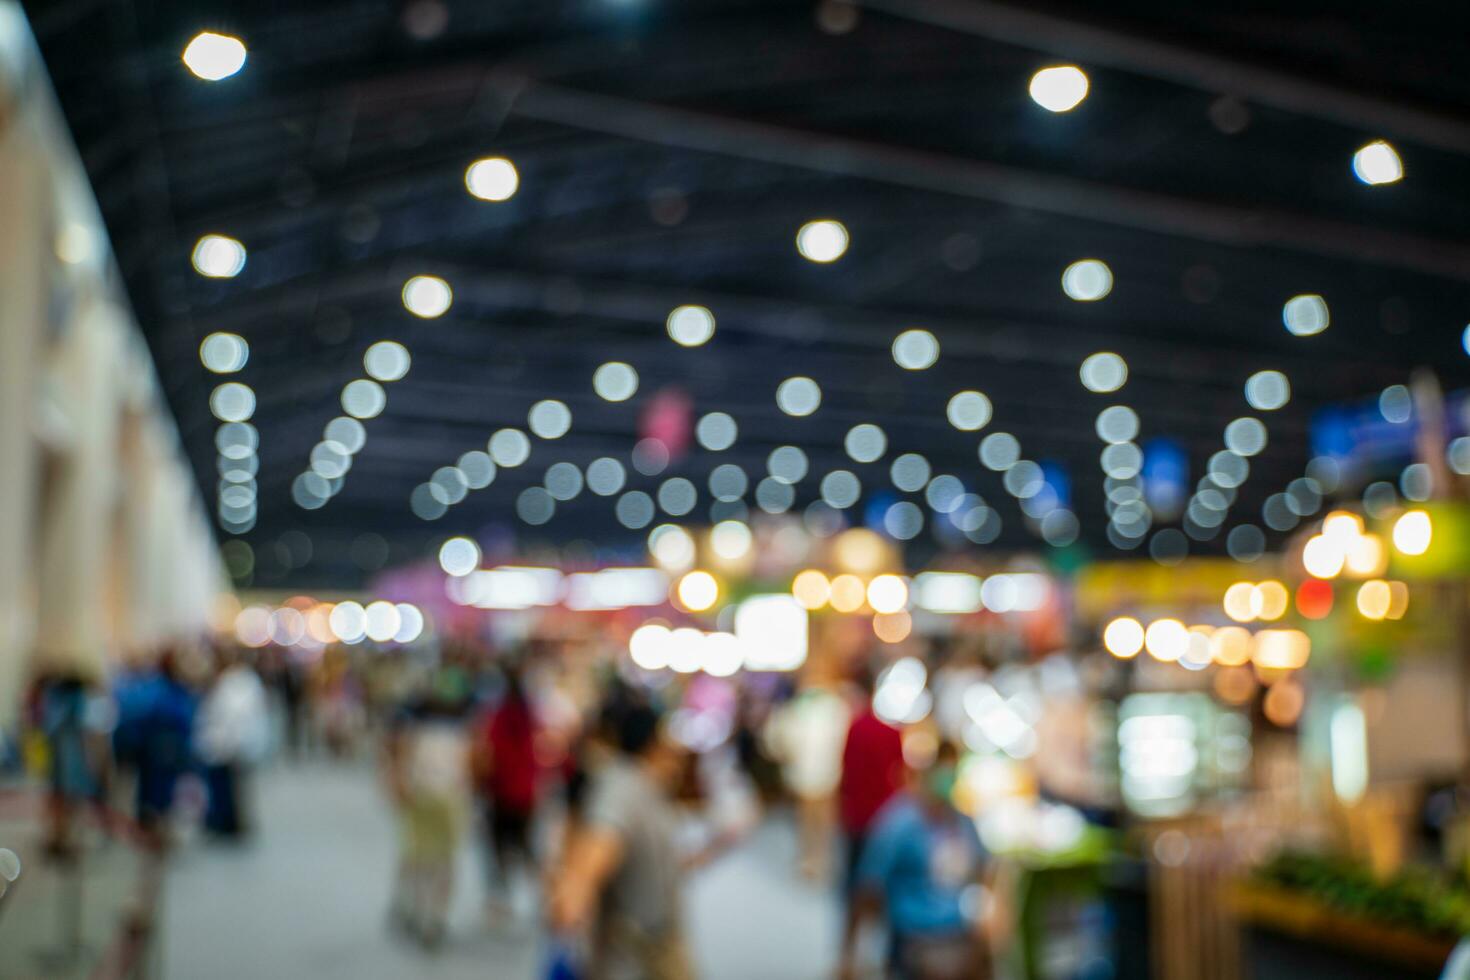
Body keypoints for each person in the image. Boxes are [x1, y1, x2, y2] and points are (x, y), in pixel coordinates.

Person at [548, 703, 694, 980]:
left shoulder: (646, 784)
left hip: (657, 939)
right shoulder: (623, 787)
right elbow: (602, 840)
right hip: (634, 952)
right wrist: (575, 890)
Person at [846, 741, 991, 980]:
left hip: (960, 928)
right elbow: (867, 886)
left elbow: (983, 867)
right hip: (915, 934)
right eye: (941, 769)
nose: (947, 777)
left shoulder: (961, 821)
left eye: (952, 770)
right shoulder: (899, 824)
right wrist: (851, 956)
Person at [385, 687, 472, 949]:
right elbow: (471, 771)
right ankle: (435, 916)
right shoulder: (459, 736)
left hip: (421, 799)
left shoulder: (413, 735)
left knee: (420, 858)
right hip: (448, 802)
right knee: (442, 861)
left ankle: (418, 911)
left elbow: (398, 770)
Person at [837, 668, 907, 972]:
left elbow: (845, 773)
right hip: (886, 821)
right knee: (884, 891)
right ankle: (886, 960)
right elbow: (900, 776)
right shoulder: (892, 733)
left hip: (858, 820)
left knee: (855, 891)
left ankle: (848, 959)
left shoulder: (855, 728)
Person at [476, 668, 540, 918]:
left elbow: (488, 754)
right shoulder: (529, 716)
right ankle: (537, 895)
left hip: (501, 792)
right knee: (525, 847)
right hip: (524, 793)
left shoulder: (498, 717)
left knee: (498, 848)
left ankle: (499, 898)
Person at [195, 649, 270, 839]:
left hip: (231, 745)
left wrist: (230, 743)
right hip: (229, 745)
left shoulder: (236, 683)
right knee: (231, 787)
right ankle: (228, 821)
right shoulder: (240, 682)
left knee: (231, 788)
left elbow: (235, 717)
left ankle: (230, 823)